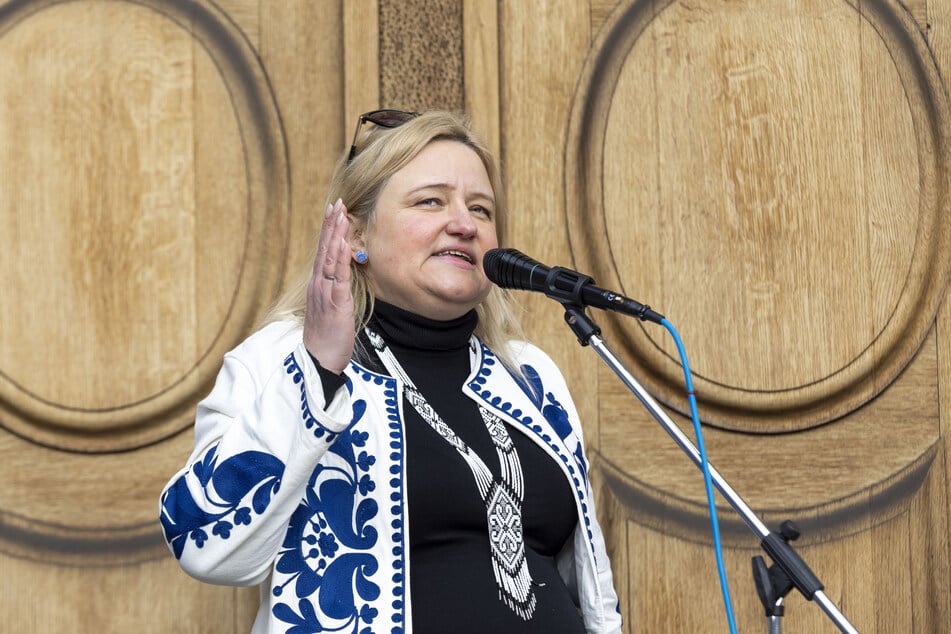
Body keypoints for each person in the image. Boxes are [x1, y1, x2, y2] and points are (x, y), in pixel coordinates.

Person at [159, 109, 623, 633]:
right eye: (430, 200)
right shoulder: (280, 359)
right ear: (354, 232)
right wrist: (318, 371)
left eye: (481, 209)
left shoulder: (530, 377)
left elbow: (587, 589)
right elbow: (202, 539)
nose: (464, 224)